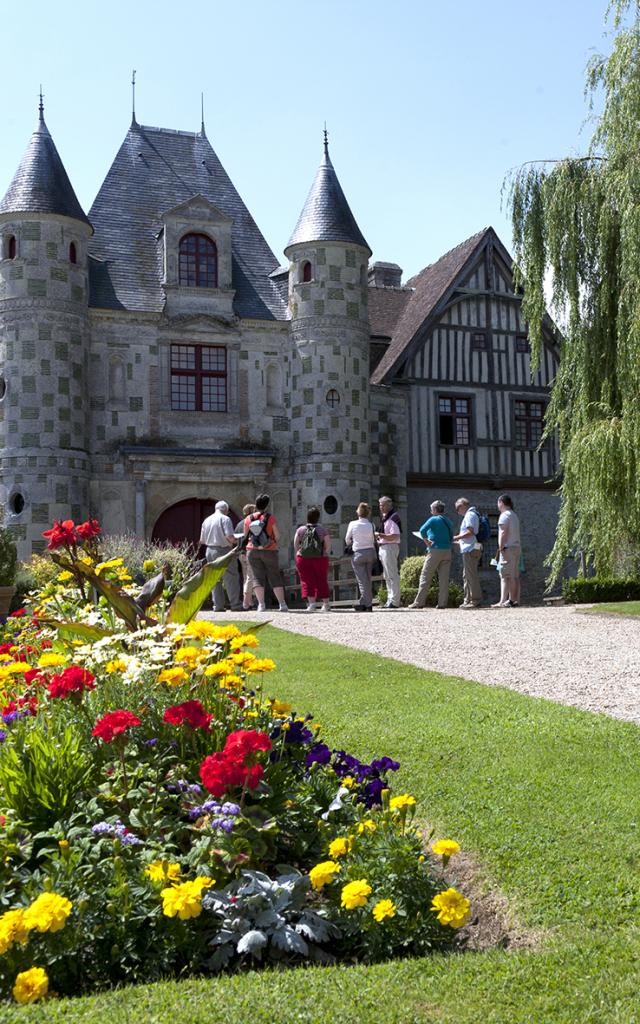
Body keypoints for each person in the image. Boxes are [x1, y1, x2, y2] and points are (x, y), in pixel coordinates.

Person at [243, 494, 288, 612]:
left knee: (257, 577)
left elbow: (245, 535)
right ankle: (282, 604)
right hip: (269, 550)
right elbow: (277, 536)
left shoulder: (248, 519)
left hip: (252, 550)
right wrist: (270, 541)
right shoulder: (270, 518)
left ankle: (261, 605)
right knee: (275, 576)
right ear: (267, 505)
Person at [408, 500, 453, 609]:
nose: (430, 511)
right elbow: (451, 536)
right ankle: (442, 603)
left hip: (435, 550)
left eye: (431, 509)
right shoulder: (448, 520)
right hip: (447, 550)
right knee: (444, 579)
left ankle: (419, 602)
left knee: (425, 576)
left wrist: (426, 541)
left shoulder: (433, 519)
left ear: (435, 510)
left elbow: (422, 530)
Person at [199, 500, 242, 613]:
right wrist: (237, 540)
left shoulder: (206, 520)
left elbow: (202, 540)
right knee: (231, 576)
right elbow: (229, 537)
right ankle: (235, 604)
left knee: (214, 579)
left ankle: (217, 605)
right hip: (223, 550)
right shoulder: (225, 519)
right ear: (226, 510)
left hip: (209, 550)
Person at [294, 506, 332, 611]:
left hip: (303, 558)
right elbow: (328, 544)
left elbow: (296, 544)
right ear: (318, 518)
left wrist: (300, 553)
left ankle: (312, 604)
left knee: (307, 580)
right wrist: (325, 553)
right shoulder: (322, 529)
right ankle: (326, 604)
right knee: (322, 579)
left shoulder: (301, 529)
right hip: (320, 558)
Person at [345, 502, 377, 612]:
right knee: (367, 579)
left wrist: (353, 542)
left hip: (358, 553)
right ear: (368, 513)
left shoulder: (353, 524)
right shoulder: (371, 525)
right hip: (370, 553)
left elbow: (347, 539)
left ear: (358, 512)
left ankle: (368, 604)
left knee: (362, 581)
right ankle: (363, 603)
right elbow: (373, 540)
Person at [492, 494, 521, 608]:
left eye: (498, 503)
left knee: (505, 576)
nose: (497, 505)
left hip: (507, 548)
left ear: (501, 502)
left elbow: (503, 532)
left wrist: (501, 547)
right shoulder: (514, 515)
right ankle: (513, 600)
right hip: (516, 547)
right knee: (513, 575)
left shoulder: (504, 515)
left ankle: (505, 601)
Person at [453, 497, 483, 609]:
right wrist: (459, 540)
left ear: (462, 505)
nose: (457, 511)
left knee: (471, 575)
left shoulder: (470, 515)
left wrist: (456, 537)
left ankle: (475, 600)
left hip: (470, 549)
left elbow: (470, 532)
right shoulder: (472, 514)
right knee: (467, 575)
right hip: (470, 547)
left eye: (457, 508)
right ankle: (468, 599)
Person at [375, 496, 402, 609]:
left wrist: (380, 535)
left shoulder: (393, 517)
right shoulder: (386, 517)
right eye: (380, 505)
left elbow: (395, 536)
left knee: (392, 574)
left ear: (388, 505)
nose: (380, 507)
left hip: (390, 547)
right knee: (387, 575)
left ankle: (395, 601)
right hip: (384, 547)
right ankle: (390, 599)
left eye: (382, 505)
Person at [237, 502, 257, 610]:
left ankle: (248, 601)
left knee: (246, 577)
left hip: (241, 553)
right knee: (250, 577)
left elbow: (236, 539)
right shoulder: (251, 523)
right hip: (248, 552)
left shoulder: (239, 524)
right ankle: (248, 602)